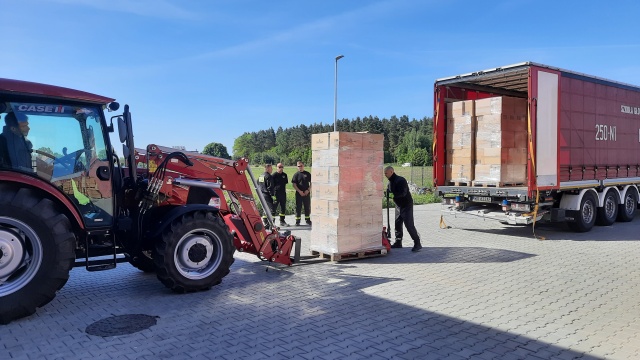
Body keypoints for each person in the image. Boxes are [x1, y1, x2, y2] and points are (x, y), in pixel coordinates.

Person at [384, 166, 422, 252]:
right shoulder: (390, 182)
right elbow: (390, 191)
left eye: (386, 173)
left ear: (391, 172)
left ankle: (417, 243)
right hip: (398, 205)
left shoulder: (401, 180)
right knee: (397, 223)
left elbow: (403, 193)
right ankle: (398, 242)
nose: (385, 175)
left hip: (406, 204)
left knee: (409, 225)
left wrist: (394, 196)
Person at [291, 160, 311, 226]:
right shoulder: (296, 175)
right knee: (298, 207)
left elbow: (312, 183)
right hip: (299, 194)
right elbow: (294, 184)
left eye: (301, 166)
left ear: (303, 166)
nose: (300, 167)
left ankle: (307, 220)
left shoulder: (307, 174)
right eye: (298, 166)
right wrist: (299, 191)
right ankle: (297, 221)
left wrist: (308, 190)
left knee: (307, 207)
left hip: (306, 193)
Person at [257, 163, 275, 229]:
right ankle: (272, 224)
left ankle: (265, 223)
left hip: (261, 194)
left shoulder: (261, 176)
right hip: (267, 195)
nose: (272, 170)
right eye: (271, 168)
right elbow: (270, 187)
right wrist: (272, 196)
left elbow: (257, 184)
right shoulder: (269, 176)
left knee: (265, 209)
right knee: (271, 210)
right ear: (267, 168)